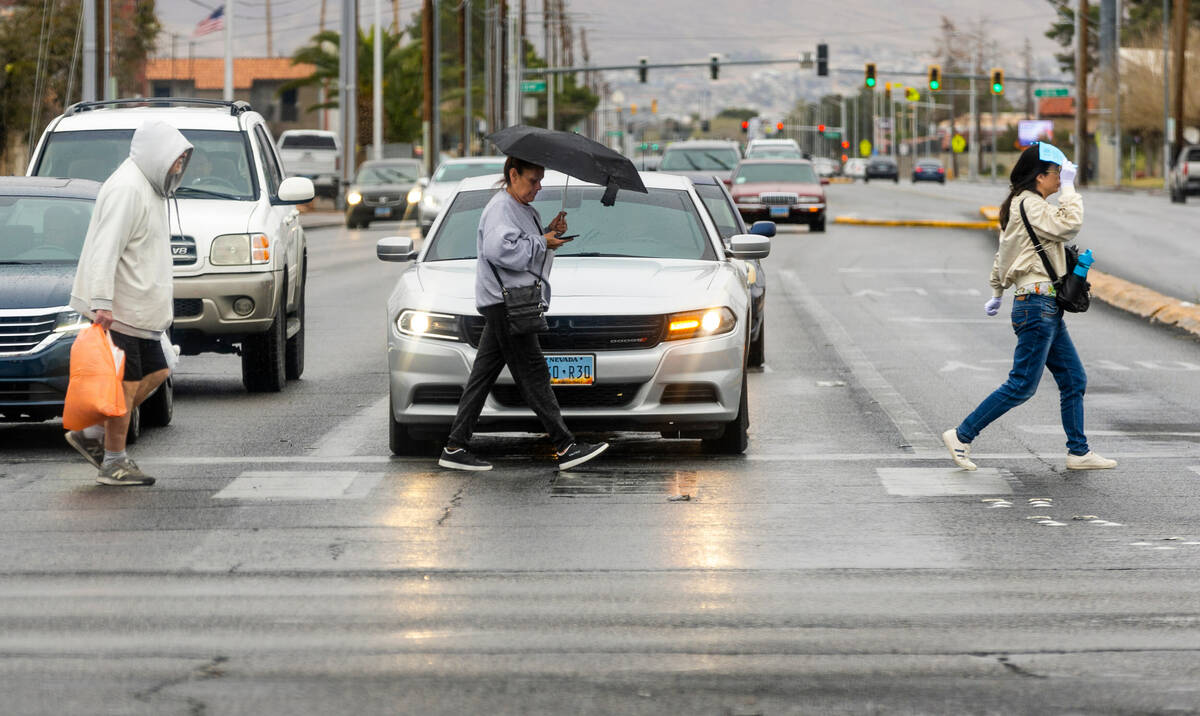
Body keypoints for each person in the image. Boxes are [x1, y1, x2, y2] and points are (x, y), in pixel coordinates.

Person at [943, 143, 1117, 472]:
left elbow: (1003, 257)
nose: (1061, 178)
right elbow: (1070, 225)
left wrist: (997, 291)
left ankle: (1078, 452)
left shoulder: (1020, 206)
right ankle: (961, 435)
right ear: (1040, 177)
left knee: (1074, 379)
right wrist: (1070, 189)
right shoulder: (1032, 206)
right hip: (1038, 306)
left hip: (1041, 304)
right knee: (1022, 384)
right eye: (1057, 174)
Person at [438, 156, 608, 472]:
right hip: (507, 304)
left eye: (540, 180)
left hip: (507, 301)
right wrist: (543, 240)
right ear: (513, 175)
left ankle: (455, 445)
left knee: (483, 375)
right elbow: (499, 251)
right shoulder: (502, 208)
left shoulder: (518, 208)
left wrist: (548, 232)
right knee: (534, 374)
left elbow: (521, 244)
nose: (538, 187)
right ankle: (565, 445)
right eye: (533, 180)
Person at [64, 119, 193, 486]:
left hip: (140, 313)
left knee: (158, 371)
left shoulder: (148, 188)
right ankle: (114, 462)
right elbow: (106, 248)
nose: (179, 167)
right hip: (120, 312)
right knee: (124, 384)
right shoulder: (127, 188)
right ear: (157, 154)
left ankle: (93, 433)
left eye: (183, 160)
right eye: (175, 158)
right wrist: (102, 301)